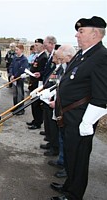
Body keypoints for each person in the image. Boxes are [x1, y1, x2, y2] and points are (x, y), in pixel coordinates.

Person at [50, 16, 107, 200]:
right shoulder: (83, 54)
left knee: (79, 158)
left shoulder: (101, 56)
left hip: (81, 118)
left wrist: (87, 123)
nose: (77, 35)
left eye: (81, 31)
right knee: (70, 154)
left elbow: (101, 96)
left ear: (95, 34)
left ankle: (74, 195)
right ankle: (69, 185)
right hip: (69, 116)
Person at [46, 44, 76, 180]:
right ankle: (62, 161)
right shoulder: (66, 66)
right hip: (60, 106)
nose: (59, 60)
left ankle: (67, 167)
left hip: (68, 109)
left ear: (68, 56)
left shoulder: (72, 67)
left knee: (68, 142)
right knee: (61, 136)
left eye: (61, 58)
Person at [40, 36, 60, 156]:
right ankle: (51, 142)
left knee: (53, 124)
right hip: (48, 94)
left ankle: (54, 146)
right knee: (48, 121)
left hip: (53, 97)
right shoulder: (55, 63)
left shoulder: (60, 67)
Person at [26, 38, 48, 129]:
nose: (35, 47)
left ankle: (38, 122)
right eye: (35, 45)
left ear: (42, 46)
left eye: (37, 45)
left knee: (37, 104)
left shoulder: (43, 57)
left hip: (38, 82)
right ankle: (35, 120)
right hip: (33, 81)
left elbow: (44, 70)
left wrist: (39, 74)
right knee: (33, 103)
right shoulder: (38, 56)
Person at [9, 44, 29, 115]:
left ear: (22, 50)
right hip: (14, 78)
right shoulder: (15, 58)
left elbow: (22, 69)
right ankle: (15, 107)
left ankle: (21, 109)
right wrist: (11, 75)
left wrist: (15, 76)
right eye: (15, 50)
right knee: (15, 94)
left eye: (17, 50)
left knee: (20, 94)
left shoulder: (24, 59)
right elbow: (11, 66)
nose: (16, 51)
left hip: (19, 79)